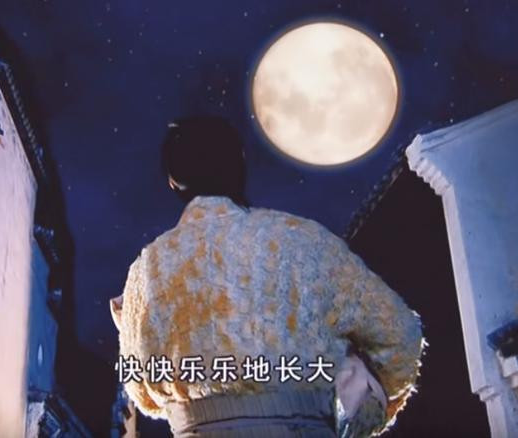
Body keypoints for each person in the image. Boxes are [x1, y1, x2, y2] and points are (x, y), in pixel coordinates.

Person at [110, 116, 424, 437]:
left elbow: (141, 389)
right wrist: (363, 414)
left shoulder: (147, 269)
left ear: (173, 181)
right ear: (239, 168)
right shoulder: (303, 240)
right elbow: (400, 337)